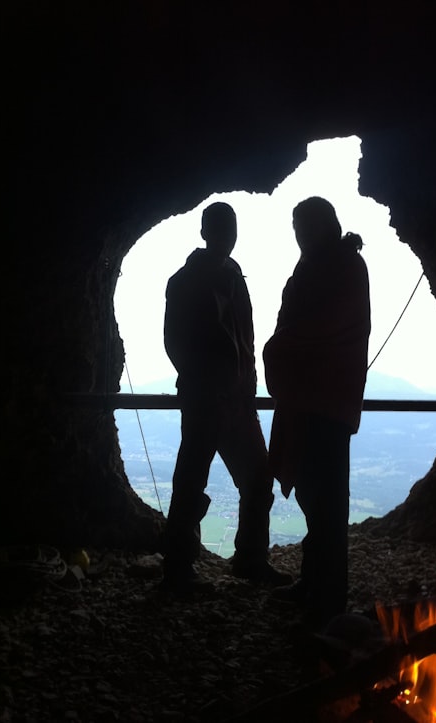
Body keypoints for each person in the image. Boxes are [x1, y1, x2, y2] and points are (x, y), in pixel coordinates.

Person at [160, 201, 291, 593]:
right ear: (205, 233)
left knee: (253, 478)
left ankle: (243, 560)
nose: (227, 237)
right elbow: (175, 344)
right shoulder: (187, 281)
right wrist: (208, 382)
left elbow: (238, 338)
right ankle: (183, 570)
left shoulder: (231, 278)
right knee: (193, 483)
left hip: (232, 399)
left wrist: (243, 383)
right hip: (209, 399)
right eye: (221, 229)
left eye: (230, 229)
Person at [263, 196, 371, 628]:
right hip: (311, 398)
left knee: (327, 502)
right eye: (296, 227)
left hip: (325, 399)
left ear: (324, 226)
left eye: (304, 226)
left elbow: (327, 324)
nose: (299, 234)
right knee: (313, 497)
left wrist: (279, 346)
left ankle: (328, 601)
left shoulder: (344, 267)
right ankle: (312, 583)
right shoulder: (319, 266)